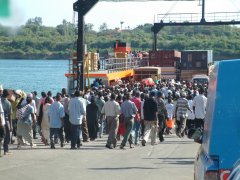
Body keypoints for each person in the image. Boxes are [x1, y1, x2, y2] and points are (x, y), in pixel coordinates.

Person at [1, 89, 12, 155]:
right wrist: (10, 125)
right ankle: (6, 150)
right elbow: (9, 115)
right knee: (7, 135)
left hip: (0, 119)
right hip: (5, 120)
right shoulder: (8, 103)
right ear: (7, 95)